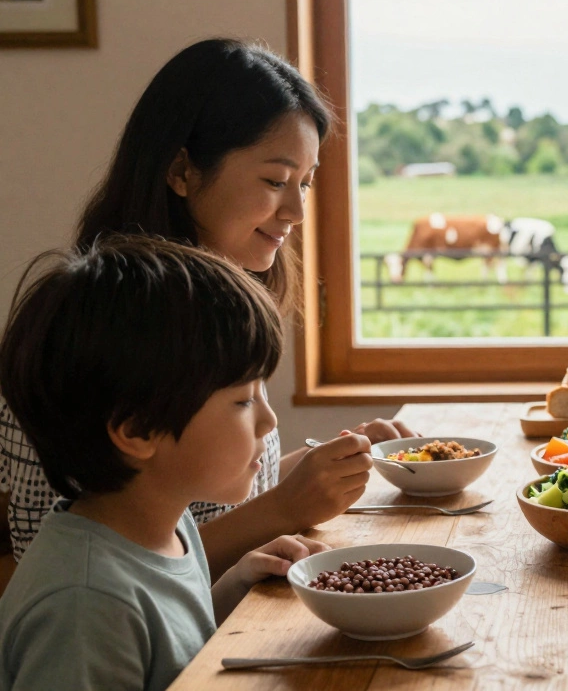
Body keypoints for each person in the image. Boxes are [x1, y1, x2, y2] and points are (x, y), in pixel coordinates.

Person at [0, 38, 413, 590]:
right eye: (275, 181)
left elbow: (194, 495)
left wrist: (333, 462)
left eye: (306, 184)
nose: (296, 211)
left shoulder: (217, 307)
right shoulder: (98, 330)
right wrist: (283, 509)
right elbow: (66, 573)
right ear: (182, 171)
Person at [0, 235, 330, 690]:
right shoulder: (86, 604)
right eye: (242, 401)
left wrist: (236, 582)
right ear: (137, 431)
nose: (269, 420)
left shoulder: (165, 525)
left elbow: (170, 658)